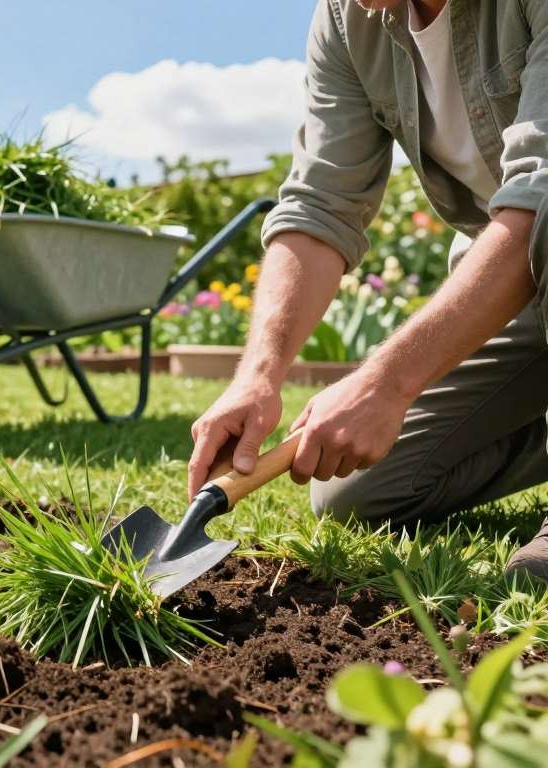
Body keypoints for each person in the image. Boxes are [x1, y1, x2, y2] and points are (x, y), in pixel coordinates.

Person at [188, 0, 548, 580]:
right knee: (358, 490)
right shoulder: (347, 19)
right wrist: (258, 376)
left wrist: (387, 381)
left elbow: (540, 197)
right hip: (524, 288)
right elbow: (320, 204)